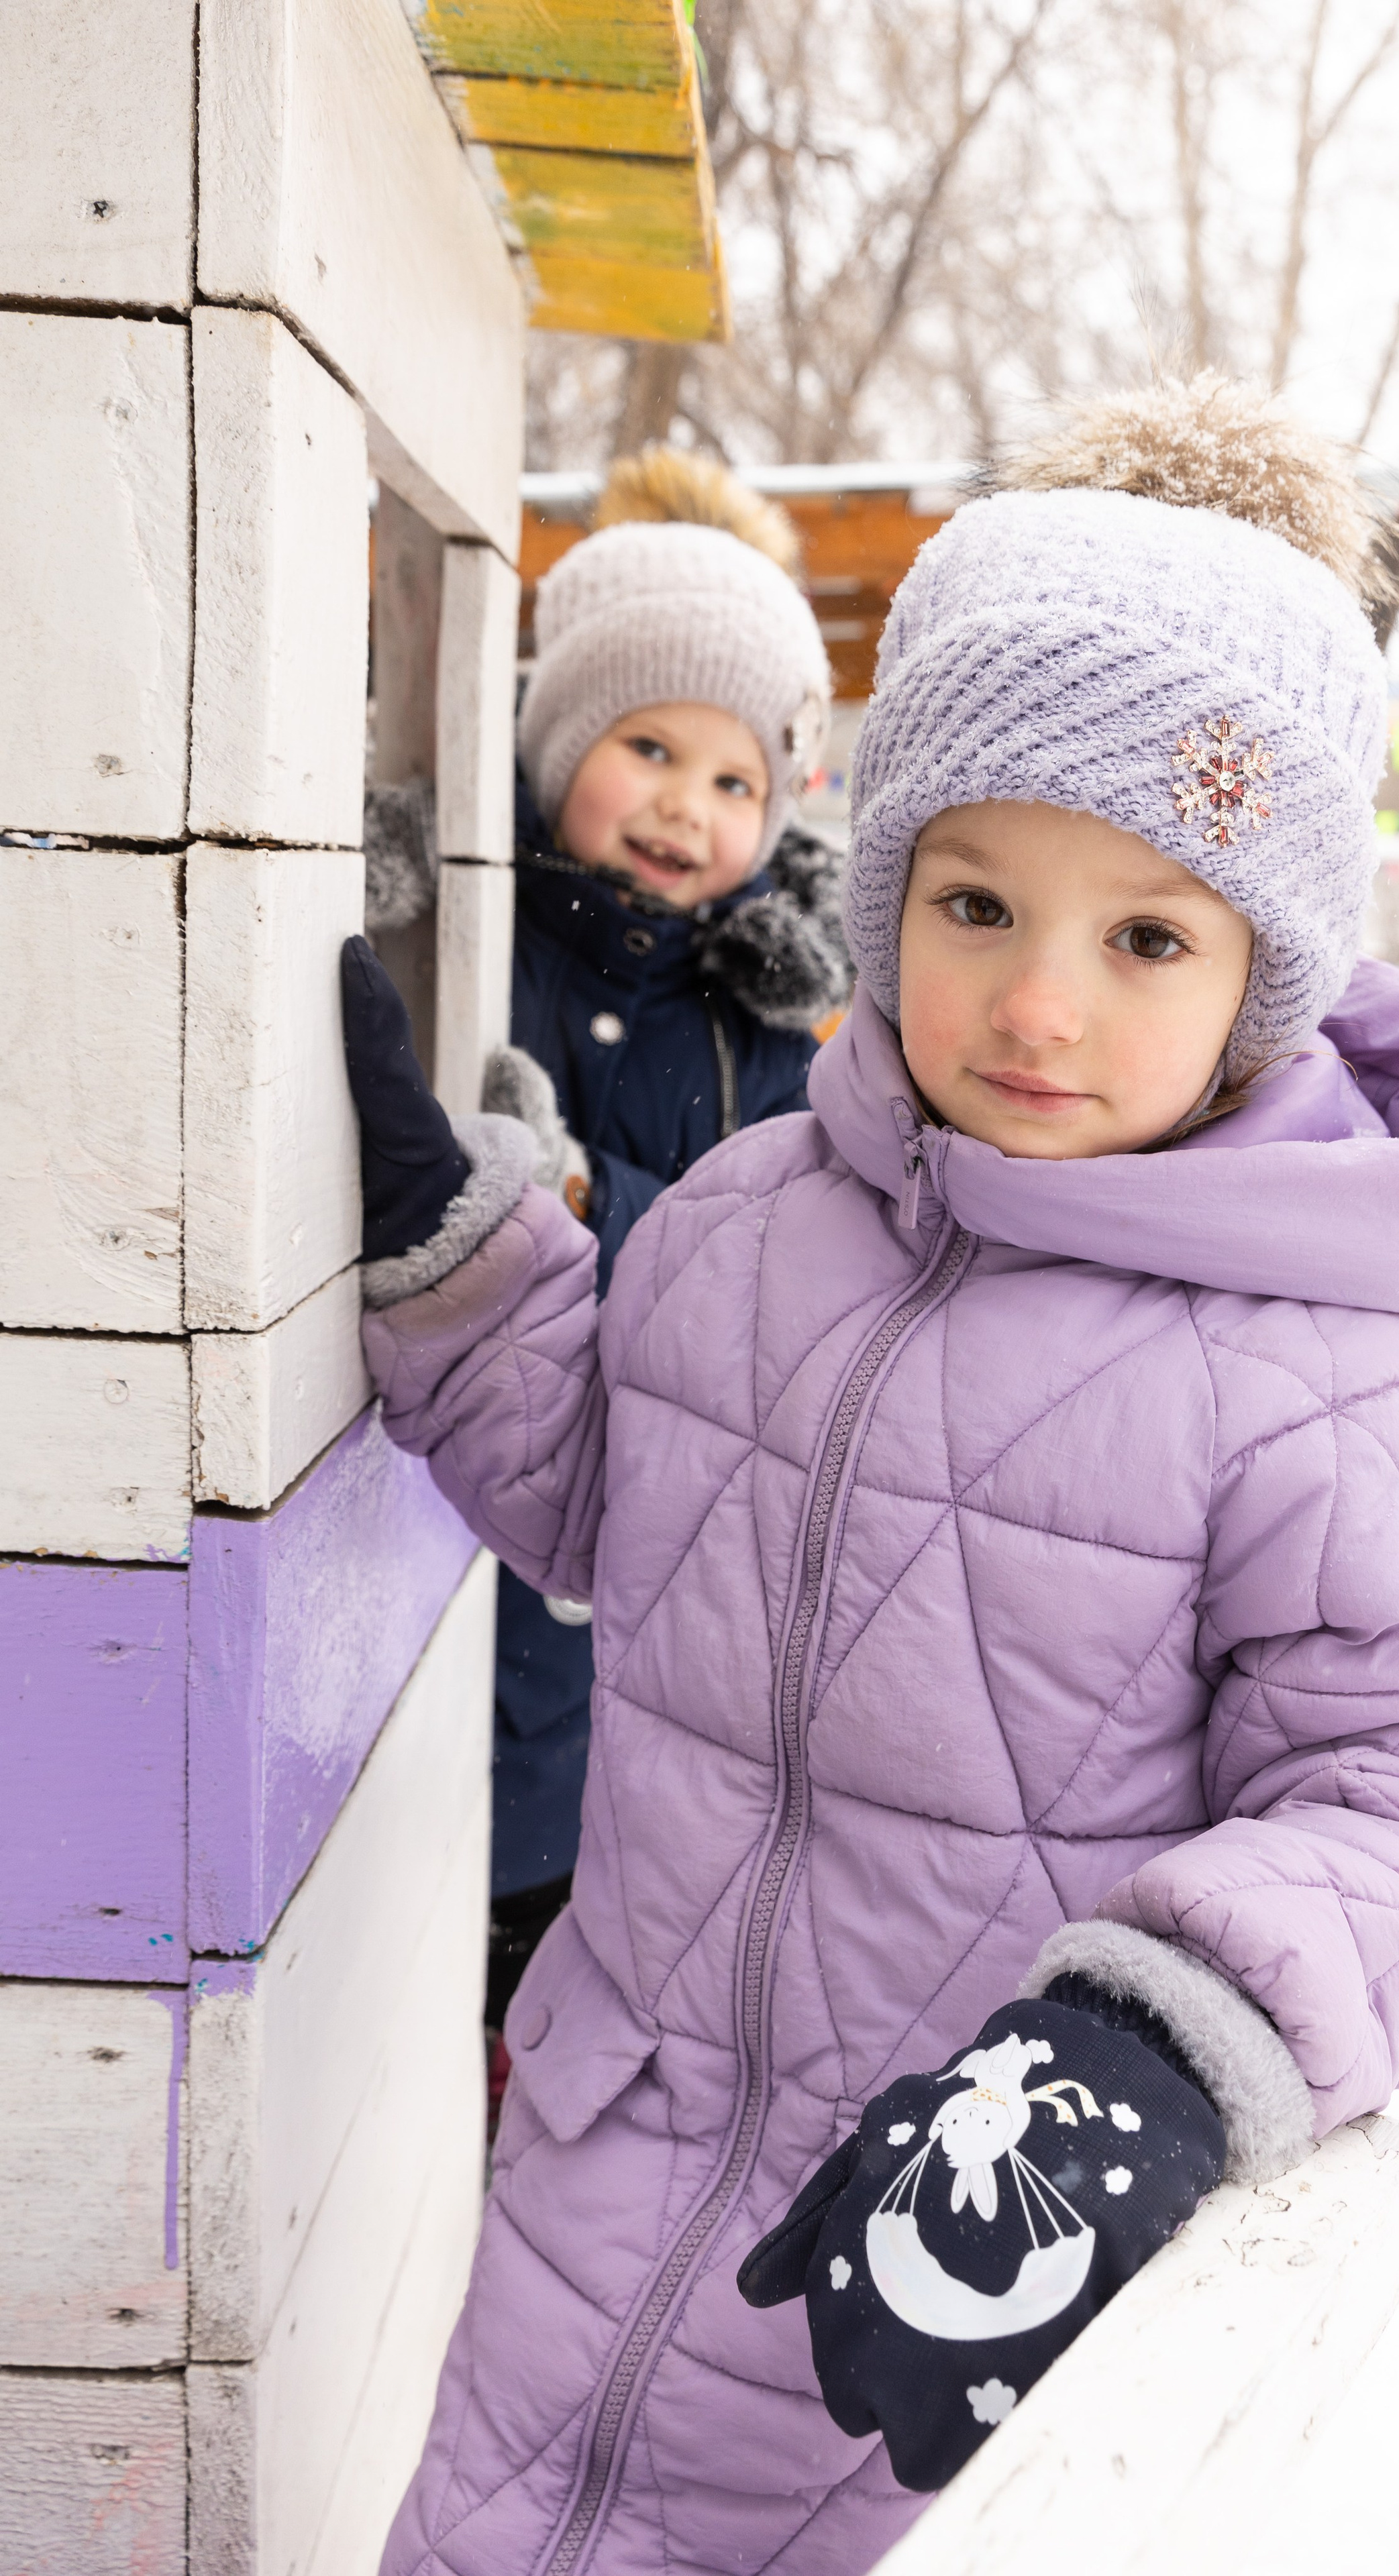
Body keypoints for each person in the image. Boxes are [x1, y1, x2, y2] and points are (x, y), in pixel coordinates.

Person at [340, 377, 1399, 2576]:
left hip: (933, 2300)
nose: (1039, 1004)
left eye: (1146, 939)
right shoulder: (746, 1217)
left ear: (1263, 980)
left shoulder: (1317, 1377)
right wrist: (467, 1279)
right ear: (890, 871)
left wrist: (1164, 2039)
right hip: (582, 2213)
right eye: (979, 899)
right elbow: (611, 1510)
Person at [366, 451, 849, 2045]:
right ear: (561, 734)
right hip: (406, 1497)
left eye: (733, 784)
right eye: (647, 748)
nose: (684, 809)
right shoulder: (464, 918)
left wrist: (587, 1206)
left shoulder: (763, 1022)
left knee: (552, 1899)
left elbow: (768, 1258)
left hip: (610, 1536)